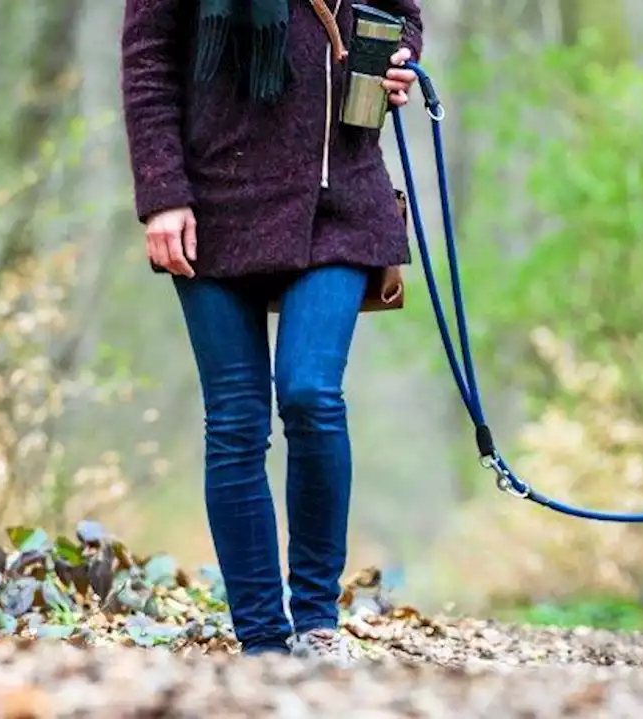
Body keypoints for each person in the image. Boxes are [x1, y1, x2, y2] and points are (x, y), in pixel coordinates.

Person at [120, 0, 424, 664]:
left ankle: (316, 623)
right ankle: (262, 639)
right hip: (211, 202)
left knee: (312, 394)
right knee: (235, 420)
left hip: (336, 201)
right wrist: (162, 193)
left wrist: (399, 64)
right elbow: (148, 63)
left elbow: (399, 15)